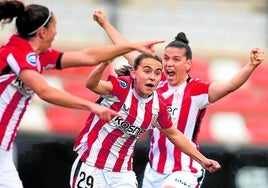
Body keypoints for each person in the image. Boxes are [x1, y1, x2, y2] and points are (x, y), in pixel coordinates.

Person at [92, 9, 265, 188]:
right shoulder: (155, 81)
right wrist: (105, 24)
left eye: (175, 59)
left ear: (188, 64)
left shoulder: (197, 91)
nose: (168, 64)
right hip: (154, 171)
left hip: (184, 171)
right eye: (166, 58)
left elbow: (229, 86)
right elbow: (128, 49)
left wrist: (251, 65)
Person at [0, 1, 165, 188]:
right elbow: (44, 91)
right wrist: (90, 105)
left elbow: (88, 56)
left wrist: (133, 46)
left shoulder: (39, 56)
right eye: (54, 27)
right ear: (43, 32)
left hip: (4, 149)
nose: (56, 33)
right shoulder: (15, 53)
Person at [70, 53, 220, 188]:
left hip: (122, 173)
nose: (152, 77)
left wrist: (202, 160)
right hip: (91, 164)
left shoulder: (158, 106)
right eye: (147, 71)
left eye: (157, 73)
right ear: (134, 73)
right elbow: (91, 84)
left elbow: (174, 135)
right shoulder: (122, 87)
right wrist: (103, 64)